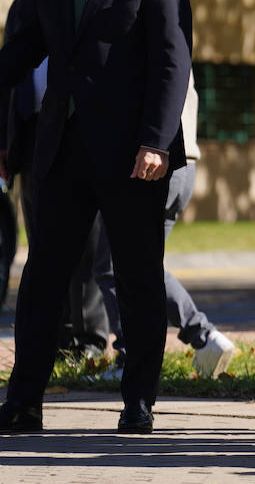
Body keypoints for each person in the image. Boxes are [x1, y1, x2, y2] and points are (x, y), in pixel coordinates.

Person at [0, 0, 193, 434]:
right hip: (60, 150)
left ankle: (138, 400)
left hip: (135, 155)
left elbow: (171, 62)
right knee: (42, 279)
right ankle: (23, 401)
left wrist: (156, 142)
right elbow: (22, 48)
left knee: (136, 279)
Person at [0, 0, 109, 351]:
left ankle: (90, 339)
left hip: (85, 136)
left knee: (86, 247)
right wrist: (5, 143)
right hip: (34, 139)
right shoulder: (27, 3)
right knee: (43, 246)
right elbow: (11, 80)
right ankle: (57, 340)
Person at [88, 77, 238, 380]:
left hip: (157, 161)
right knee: (141, 264)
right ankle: (203, 339)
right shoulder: (172, 42)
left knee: (116, 264)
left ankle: (137, 356)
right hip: (183, 162)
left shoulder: (153, 40)